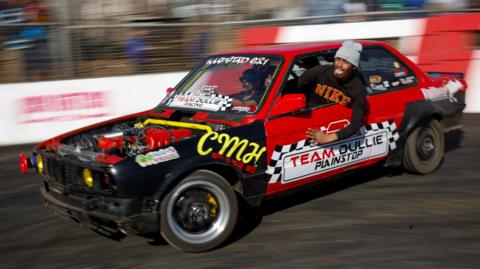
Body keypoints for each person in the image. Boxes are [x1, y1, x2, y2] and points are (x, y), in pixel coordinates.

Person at [298, 40, 367, 145]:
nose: (339, 64)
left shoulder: (358, 89)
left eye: (345, 62)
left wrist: (328, 138)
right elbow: (298, 84)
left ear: (353, 66)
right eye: (338, 59)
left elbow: (355, 125)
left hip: (333, 124)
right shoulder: (320, 72)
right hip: (310, 116)